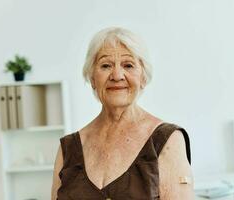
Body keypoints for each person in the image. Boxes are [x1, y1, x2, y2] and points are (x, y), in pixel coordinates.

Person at [51, 27, 194, 200]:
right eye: (105, 65)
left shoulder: (167, 140)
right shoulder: (68, 148)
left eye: (128, 65)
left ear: (143, 77)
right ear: (92, 78)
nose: (117, 75)